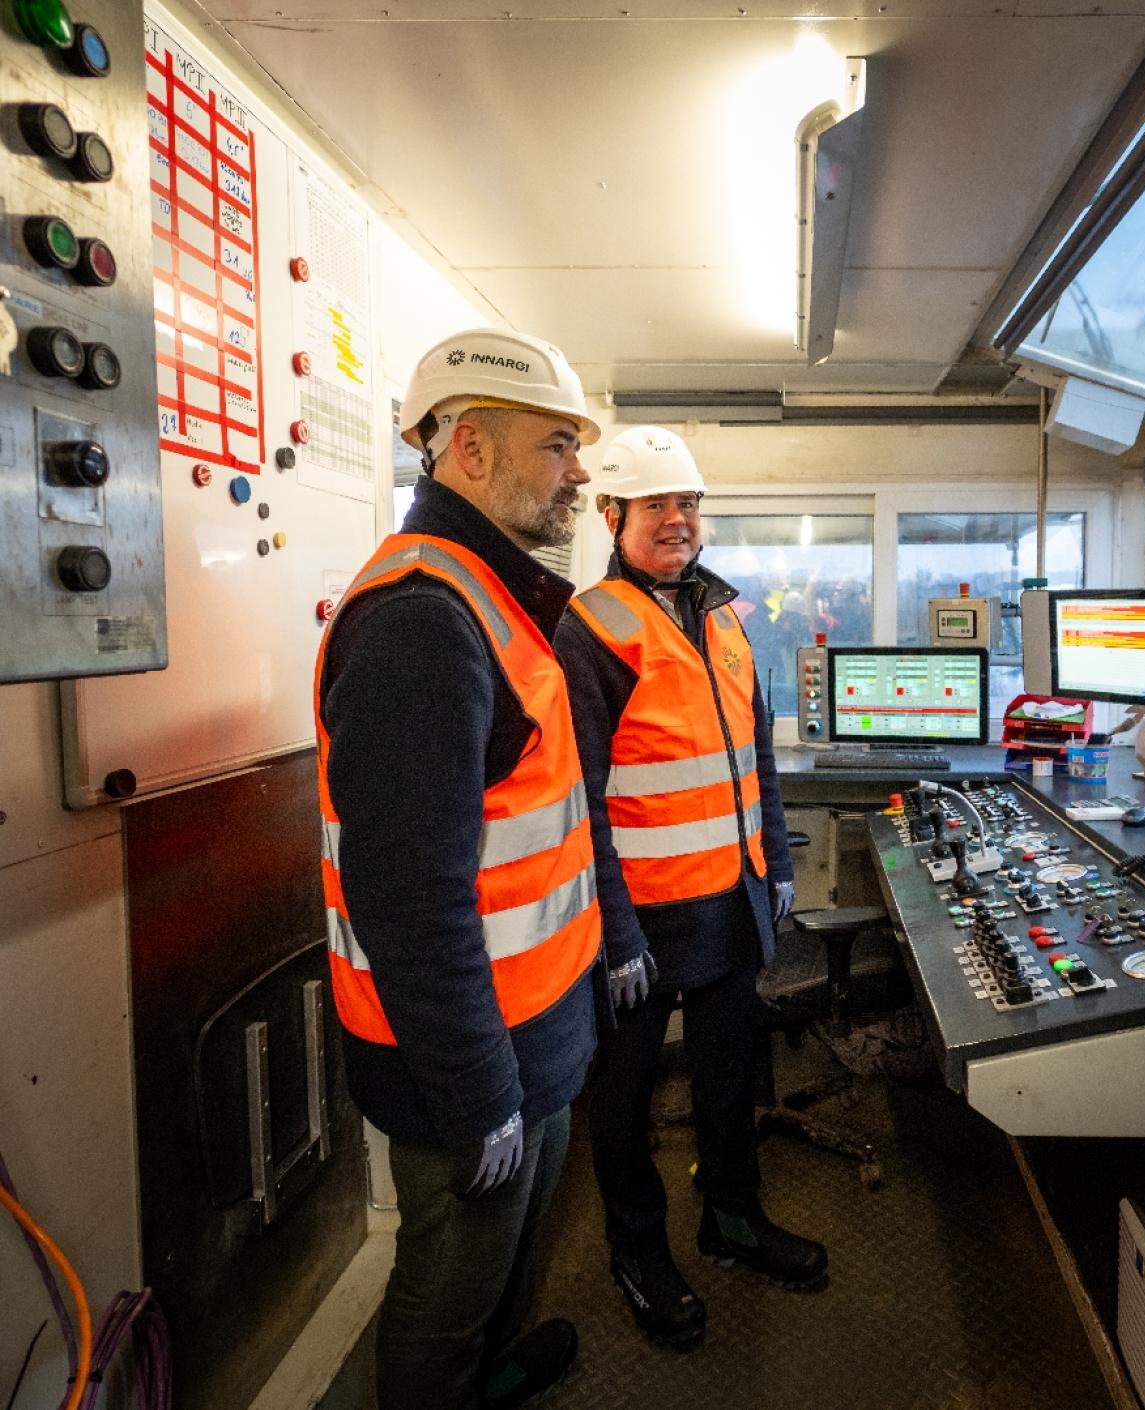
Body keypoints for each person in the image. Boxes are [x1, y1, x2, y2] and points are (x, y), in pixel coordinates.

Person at [316, 327, 628, 1409]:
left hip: (527, 1035)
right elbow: (409, 898)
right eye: (558, 445)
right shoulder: (422, 621)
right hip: (467, 1060)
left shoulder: (493, 596)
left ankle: (494, 1372)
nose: (580, 473)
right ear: (472, 453)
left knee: (502, 1269)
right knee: (442, 1299)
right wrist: (478, 1090)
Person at [556, 424, 825, 1350]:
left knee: (725, 1080)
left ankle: (733, 1218)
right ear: (612, 514)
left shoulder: (724, 619)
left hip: (728, 904)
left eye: (689, 504)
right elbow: (580, 801)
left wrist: (778, 867)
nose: (678, 521)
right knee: (624, 1103)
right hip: (639, 921)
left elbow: (759, 758)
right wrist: (617, 930)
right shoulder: (588, 628)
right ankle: (638, 1251)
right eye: (658, 505)